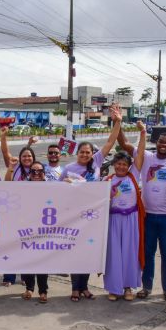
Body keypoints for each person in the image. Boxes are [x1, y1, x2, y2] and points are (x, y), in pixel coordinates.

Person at [61, 105, 123, 302]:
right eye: (82, 152)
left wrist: (118, 122)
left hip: (93, 214)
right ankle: (74, 288)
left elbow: (110, 141)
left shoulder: (96, 162)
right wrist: (65, 183)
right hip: (73, 215)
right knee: (74, 251)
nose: (85, 155)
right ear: (77, 153)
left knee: (88, 250)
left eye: (88, 152)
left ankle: (85, 287)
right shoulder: (69, 168)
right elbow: (57, 190)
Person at [127, 131, 166, 302]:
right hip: (148, 216)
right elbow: (125, 145)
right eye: (161, 141)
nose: (164, 145)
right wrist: (120, 123)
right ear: (156, 142)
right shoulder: (146, 157)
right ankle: (146, 287)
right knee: (148, 254)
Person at [103, 121, 147, 302]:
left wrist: (143, 133)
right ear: (114, 165)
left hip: (131, 219)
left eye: (124, 164)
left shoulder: (133, 175)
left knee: (129, 253)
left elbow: (140, 154)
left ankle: (128, 287)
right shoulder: (107, 179)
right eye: (118, 164)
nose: (121, 167)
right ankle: (114, 289)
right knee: (113, 255)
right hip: (113, 220)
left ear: (129, 166)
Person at [18, 160, 50, 303]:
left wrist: (69, 182)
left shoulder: (54, 187)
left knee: (43, 261)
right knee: (28, 260)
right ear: (29, 174)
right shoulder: (23, 187)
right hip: (27, 230)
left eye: (39, 171)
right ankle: (29, 288)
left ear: (44, 173)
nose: (36, 174)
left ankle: (43, 291)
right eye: (33, 171)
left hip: (45, 230)